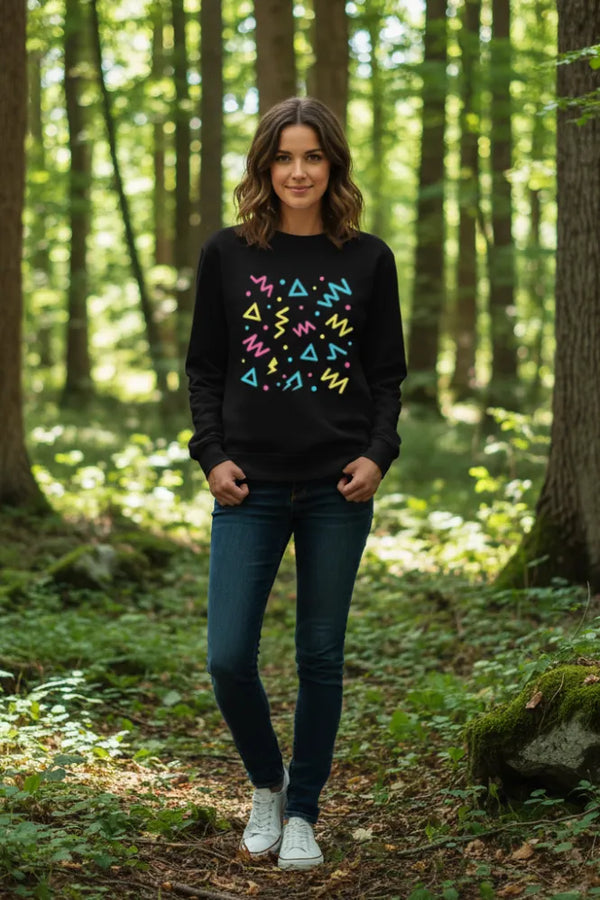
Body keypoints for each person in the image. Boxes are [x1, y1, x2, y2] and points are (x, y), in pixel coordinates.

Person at [186, 96, 406, 871]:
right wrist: (210, 454)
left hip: (337, 489)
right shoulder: (228, 253)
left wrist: (379, 453)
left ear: (333, 165)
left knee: (320, 654)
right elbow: (204, 369)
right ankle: (267, 786)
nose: (299, 171)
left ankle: (305, 811)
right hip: (248, 488)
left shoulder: (368, 258)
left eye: (313, 156)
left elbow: (387, 375)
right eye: (284, 157)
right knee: (227, 656)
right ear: (265, 167)